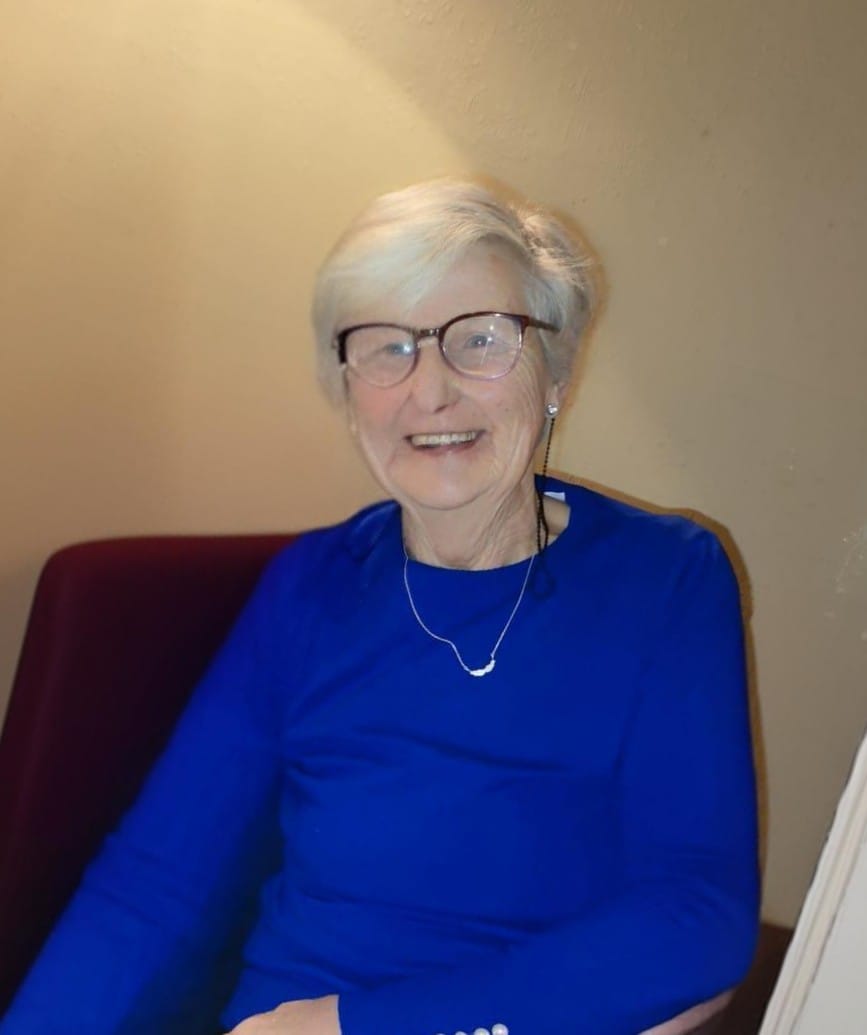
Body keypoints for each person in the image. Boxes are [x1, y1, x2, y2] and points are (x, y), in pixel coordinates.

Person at [1, 180, 759, 1035]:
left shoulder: (667, 579)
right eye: (385, 346)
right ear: (346, 390)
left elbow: (694, 915)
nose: (428, 390)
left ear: (555, 369)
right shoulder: (309, 586)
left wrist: (353, 1025)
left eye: (480, 338)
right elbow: (153, 886)